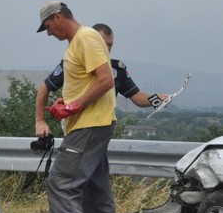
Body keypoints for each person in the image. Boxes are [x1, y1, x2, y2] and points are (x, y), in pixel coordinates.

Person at [35, 1, 127, 213]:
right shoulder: (77, 43)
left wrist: (74, 107)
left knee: (61, 186)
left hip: (88, 127)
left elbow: (105, 80)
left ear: (58, 17)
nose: (49, 33)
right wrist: (66, 102)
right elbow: (90, 84)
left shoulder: (86, 37)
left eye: (48, 26)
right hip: (94, 125)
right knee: (95, 194)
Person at [35, 23, 170, 137]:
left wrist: (158, 99)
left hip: (101, 129)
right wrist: (40, 121)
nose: (106, 49)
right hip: (77, 128)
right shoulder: (75, 63)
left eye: (110, 45)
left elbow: (137, 97)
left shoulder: (116, 70)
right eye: (102, 44)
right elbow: (45, 87)